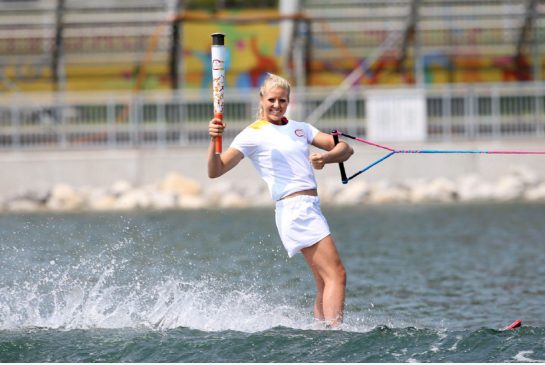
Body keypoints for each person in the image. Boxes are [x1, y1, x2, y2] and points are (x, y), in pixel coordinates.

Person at [207, 73, 353, 326]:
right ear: (262, 99)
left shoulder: (300, 128)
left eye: (283, 100)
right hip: (295, 209)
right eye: (272, 100)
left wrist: (325, 158)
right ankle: (335, 334)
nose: (277, 105)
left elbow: (345, 149)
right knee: (337, 275)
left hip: (309, 207)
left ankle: (322, 332)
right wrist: (213, 141)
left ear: (288, 101)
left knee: (324, 280)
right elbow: (215, 170)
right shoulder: (252, 134)